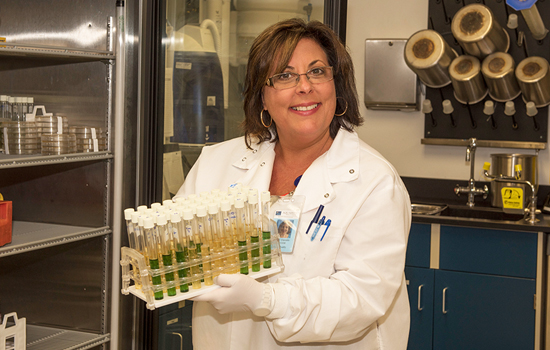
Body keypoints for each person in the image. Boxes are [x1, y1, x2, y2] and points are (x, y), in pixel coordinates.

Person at [174, 18, 411, 350]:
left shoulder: (374, 183)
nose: (305, 87)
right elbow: (175, 251)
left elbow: (360, 298)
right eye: (285, 76)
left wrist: (266, 299)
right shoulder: (217, 164)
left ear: (336, 86)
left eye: (317, 72)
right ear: (263, 98)